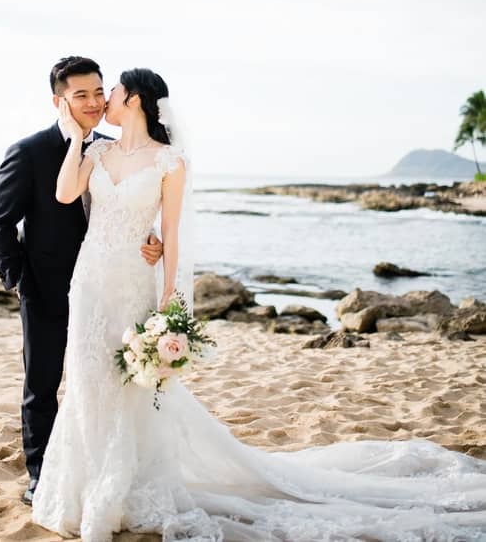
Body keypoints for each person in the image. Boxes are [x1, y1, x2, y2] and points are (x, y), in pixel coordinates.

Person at [31, 67, 486, 541]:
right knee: (86, 379)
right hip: (90, 283)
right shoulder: (97, 150)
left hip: (132, 284)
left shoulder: (170, 162)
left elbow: (171, 235)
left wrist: (168, 299)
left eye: (114, 91)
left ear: (138, 100)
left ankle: (119, 491)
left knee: (132, 386)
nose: (105, 99)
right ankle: (82, 487)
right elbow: (65, 194)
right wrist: (72, 140)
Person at [0, 57, 163, 506]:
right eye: (80, 95)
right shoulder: (28, 151)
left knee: (104, 381)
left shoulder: (108, 149)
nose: (93, 102)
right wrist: (19, 279)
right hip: (45, 286)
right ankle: (40, 475)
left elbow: (130, 208)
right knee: (42, 384)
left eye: (99, 92)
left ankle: (101, 470)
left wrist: (152, 238)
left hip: (106, 285)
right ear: (59, 101)